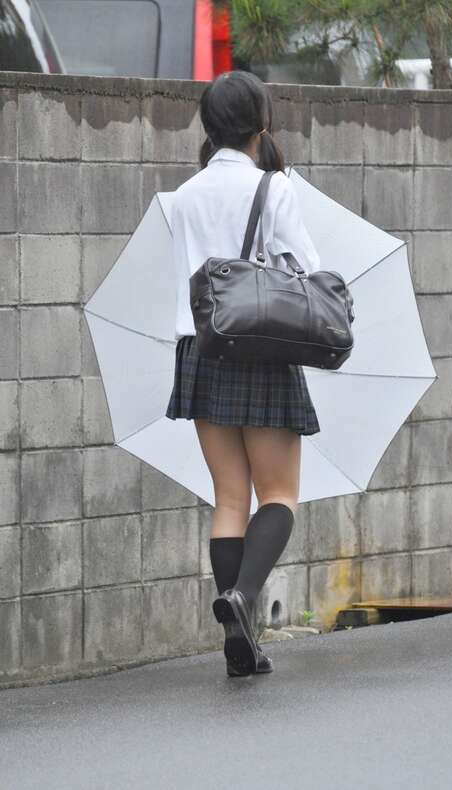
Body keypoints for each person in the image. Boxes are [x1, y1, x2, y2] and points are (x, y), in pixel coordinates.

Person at [165, 70, 321, 678]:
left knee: (229, 497)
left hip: (201, 349)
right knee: (278, 494)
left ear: (208, 126)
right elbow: (307, 269)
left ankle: (243, 641)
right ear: (263, 123)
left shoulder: (185, 195)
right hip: (260, 348)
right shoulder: (273, 188)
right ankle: (242, 597)